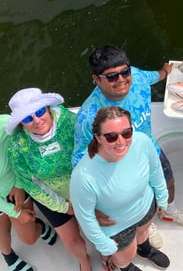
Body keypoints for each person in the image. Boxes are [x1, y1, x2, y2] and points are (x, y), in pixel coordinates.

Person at [71, 45, 183, 247]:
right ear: (96, 80)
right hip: (118, 166)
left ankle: (169, 211)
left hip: (150, 151)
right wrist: (91, 207)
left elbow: (154, 76)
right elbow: (78, 160)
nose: (121, 80)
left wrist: (165, 71)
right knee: (137, 200)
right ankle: (147, 225)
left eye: (124, 72)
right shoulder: (88, 118)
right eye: (111, 77)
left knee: (168, 182)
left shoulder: (137, 76)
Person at [70, 106, 170, 271]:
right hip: (118, 226)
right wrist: (104, 245)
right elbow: (85, 217)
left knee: (144, 233)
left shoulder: (142, 141)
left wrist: (162, 196)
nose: (121, 142)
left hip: (146, 207)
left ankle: (145, 249)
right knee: (125, 256)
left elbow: (155, 170)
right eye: (111, 136)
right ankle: (125, 267)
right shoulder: (83, 176)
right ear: (98, 137)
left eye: (126, 133)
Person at [6, 88, 92, 271]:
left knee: (100, 225)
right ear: (21, 123)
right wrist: (64, 206)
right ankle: (84, 262)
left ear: (47, 107)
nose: (36, 120)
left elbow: (92, 153)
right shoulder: (16, 147)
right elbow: (31, 184)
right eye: (28, 118)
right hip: (52, 197)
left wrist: (85, 194)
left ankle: (106, 252)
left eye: (39, 112)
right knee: (71, 240)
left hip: (86, 187)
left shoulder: (70, 121)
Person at [1, 114, 58, 271]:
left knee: (30, 239)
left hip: (14, 190)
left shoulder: (5, 125)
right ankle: (8, 255)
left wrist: (19, 184)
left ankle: (38, 226)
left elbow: (23, 150)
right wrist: (14, 213)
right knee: (2, 233)